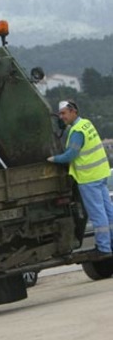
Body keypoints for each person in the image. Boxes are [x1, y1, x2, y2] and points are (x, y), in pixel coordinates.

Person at [47, 100, 113, 257]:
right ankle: (110, 244)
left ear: (72, 112)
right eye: (60, 114)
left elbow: (71, 155)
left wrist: (53, 159)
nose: (61, 117)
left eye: (63, 113)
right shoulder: (86, 124)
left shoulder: (76, 131)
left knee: (97, 214)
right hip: (100, 174)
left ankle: (104, 247)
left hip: (88, 178)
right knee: (108, 212)